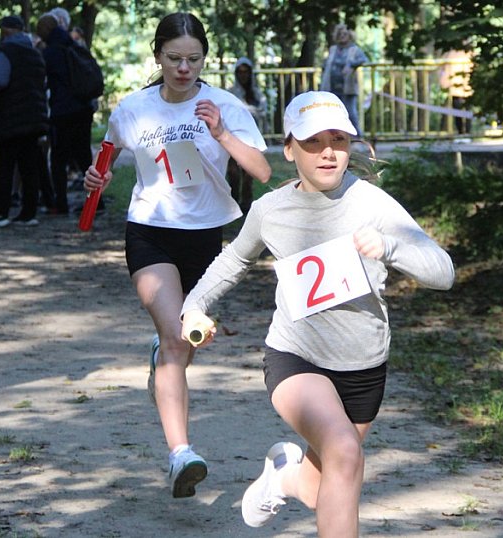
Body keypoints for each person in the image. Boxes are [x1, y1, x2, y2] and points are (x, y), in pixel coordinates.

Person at [179, 91, 455, 534]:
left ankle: (284, 476)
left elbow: (443, 272)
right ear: (289, 149)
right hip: (296, 358)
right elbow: (233, 260)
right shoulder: (270, 210)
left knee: (319, 485)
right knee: (345, 451)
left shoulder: (372, 203)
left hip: (363, 365)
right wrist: (193, 306)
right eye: (312, 142)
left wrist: (391, 247)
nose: (328, 152)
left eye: (339, 140)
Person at [83, 12, 271, 498]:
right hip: (149, 232)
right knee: (174, 336)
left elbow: (264, 171)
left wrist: (222, 134)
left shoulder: (225, 105)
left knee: (181, 345)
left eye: (194, 59)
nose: (184, 68)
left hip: (207, 239)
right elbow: (105, 159)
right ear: (157, 57)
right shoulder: (133, 110)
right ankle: (180, 454)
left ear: (204, 59)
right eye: (174, 59)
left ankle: (162, 361)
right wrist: (95, 178)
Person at [0, 14, 49, 228]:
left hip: (10, 119)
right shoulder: (36, 54)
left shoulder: (5, 52)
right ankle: (29, 213)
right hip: (33, 118)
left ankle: (0, 213)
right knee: (29, 167)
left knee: (4, 166)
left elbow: (0, 80)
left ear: (6, 31)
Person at [36, 13, 96, 215]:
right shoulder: (73, 46)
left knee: (58, 159)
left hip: (62, 111)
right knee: (84, 157)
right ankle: (97, 202)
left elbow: (43, 80)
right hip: (83, 108)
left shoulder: (50, 52)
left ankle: (60, 203)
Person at [227, 57, 267, 212]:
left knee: (249, 173)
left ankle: (247, 202)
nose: (243, 75)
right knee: (233, 173)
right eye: (240, 72)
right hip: (234, 137)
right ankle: (233, 201)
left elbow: (262, 111)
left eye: (246, 72)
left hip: (252, 138)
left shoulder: (257, 93)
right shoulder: (231, 93)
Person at [319, 24, 368, 137]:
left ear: (349, 36)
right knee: (332, 113)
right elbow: (325, 64)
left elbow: (364, 59)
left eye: (345, 34)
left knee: (351, 113)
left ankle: (357, 137)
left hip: (347, 86)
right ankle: (336, 137)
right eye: (340, 34)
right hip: (331, 86)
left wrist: (351, 65)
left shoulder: (354, 49)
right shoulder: (333, 49)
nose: (342, 36)